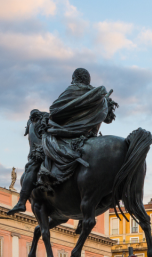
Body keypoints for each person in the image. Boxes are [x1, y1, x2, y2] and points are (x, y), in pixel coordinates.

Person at [8, 68, 118, 215]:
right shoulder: (98, 95)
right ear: (88, 80)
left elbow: (54, 111)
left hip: (69, 137)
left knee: (35, 160)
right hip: (91, 137)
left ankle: (21, 202)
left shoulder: (73, 90)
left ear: (74, 79)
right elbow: (109, 119)